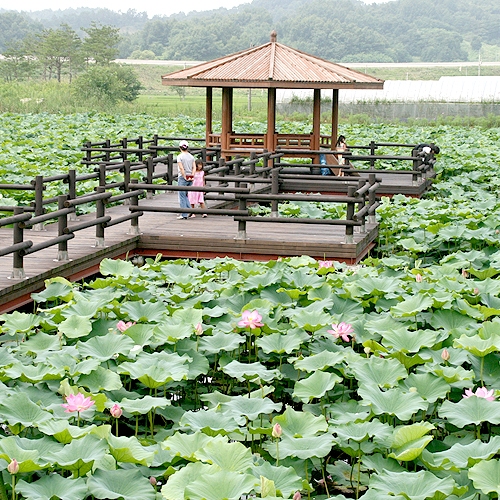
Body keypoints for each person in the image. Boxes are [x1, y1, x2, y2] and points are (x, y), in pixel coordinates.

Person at [176, 140, 195, 219]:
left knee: (182, 196)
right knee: (185, 195)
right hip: (190, 177)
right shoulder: (191, 156)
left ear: (180, 148)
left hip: (183, 177)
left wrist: (184, 176)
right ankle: (190, 210)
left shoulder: (179, 156)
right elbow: (194, 167)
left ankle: (184, 214)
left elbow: (181, 168)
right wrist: (192, 175)